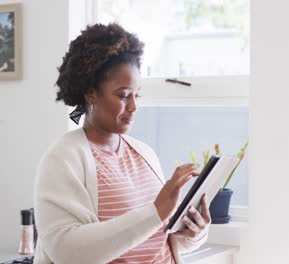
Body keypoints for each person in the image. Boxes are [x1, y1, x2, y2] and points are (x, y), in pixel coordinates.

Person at [34, 23, 210, 264]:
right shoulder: (63, 158)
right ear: (91, 93)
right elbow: (67, 252)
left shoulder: (144, 153)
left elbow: (158, 239)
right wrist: (156, 211)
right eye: (123, 95)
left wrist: (193, 233)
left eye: (136, 95)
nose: (134, 107)